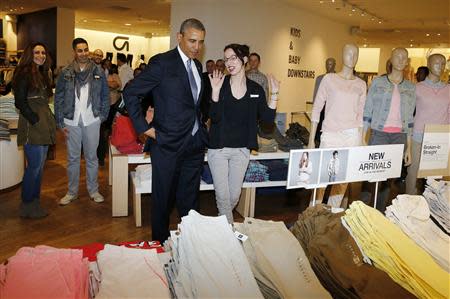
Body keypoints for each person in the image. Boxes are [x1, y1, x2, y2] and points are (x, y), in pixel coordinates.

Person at [123, 18, 209, 242]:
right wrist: (144, 128)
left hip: (194, 144)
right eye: (192, 41)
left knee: (190, 198)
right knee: (163, 200)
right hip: (167, 143)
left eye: (200, 42)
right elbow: (131, 93)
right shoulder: (162, 63)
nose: (196, 47)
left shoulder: (198, 66)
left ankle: (190, 242)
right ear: (179, 37)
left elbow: (193, 104)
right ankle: (159, 244)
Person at [208, 43, 279, 223]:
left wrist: (275, 96)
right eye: (226, 59)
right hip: (219, 149)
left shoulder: (255, 89)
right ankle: (228, 237)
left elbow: (267, 123)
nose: (229, 62)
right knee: (223, 198)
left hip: (242, 151)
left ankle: (220, 225)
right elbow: (214, 118)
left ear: (244, 60)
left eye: (233, 58)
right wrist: (215, 93)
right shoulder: (220, 84)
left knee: (233, 197)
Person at [308, 44, 366, 208]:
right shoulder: (329, 79)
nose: (352, 57)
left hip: (352, 135)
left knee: (342, 181)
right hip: (330, 134)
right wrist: (312, 140)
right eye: (348, 53)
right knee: (321, 179)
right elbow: (317, 108)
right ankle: (313, 214)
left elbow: (360, 114)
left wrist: (361, 139)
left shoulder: (361, 84)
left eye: (356, 54)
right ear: (342, 55)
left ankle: (333, 214)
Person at [54, 37, 109, 205]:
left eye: (86, 49)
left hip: (92, 119)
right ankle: (72, 192)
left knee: (92, 157)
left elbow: (105, 95)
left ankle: (93, 190)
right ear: (75, 52)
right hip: (71, 119)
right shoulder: (66, 72)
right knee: (72, 158)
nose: (84, 53)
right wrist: (60, 122)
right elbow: (59, 98)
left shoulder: (98, 71)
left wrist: (102, 117)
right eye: (80, 50)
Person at [363, 47, 416, 211]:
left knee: (388, 179)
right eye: (397, 56)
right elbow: (367, 110)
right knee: (371, 175)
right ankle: (362, 210)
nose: (400, 60)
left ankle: (378, 213)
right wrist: (363, 138)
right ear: (391, 60)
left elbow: (409, 120)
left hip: (399, 137)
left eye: (404, 57)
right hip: (379, 134)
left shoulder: (410, 87)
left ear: (407, 62)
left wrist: (409, 148)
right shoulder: (378, 82)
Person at [13, 42, 56, 218]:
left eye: (43, 52)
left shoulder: (41, 73)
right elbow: (20, 102)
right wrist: (34, 119)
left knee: (39, 167)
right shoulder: (23, 73)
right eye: (37, 52)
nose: (41, 55)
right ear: (30, 54)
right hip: (34, 125)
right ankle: (27, 203)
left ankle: (34, 202)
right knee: (34, 167)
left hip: (43, 122)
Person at [406, 54, 449, 194]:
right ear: (429, 65)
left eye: (443, 63)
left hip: (439, 140)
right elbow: (409, 116)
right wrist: (409, 140)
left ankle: (432, 211)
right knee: (413, 175)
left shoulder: (448, 89)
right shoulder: (417, 88)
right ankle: (408, 208)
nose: (441, 67)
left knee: (435, 180)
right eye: (437, 63)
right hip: (418, 137)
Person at [97, 63, 122, 166]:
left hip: (111, 107)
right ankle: (100, 155)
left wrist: (103, 82)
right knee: (100, 133)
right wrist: (108, 83)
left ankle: (102, 156)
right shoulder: (96, 74)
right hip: (98, 107)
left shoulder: (115, 75)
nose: (106, 66)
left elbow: (116, 85)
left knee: (105, 132)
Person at [312, 57, 336, 146]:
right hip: (322, 108)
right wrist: (315, 107)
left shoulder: (338, 79)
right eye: (327, 64)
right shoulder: (320, 78)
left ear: (334, 65)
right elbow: (316, 94)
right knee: (319, 131)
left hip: (333, 109)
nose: (328, 66)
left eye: (330, 64)